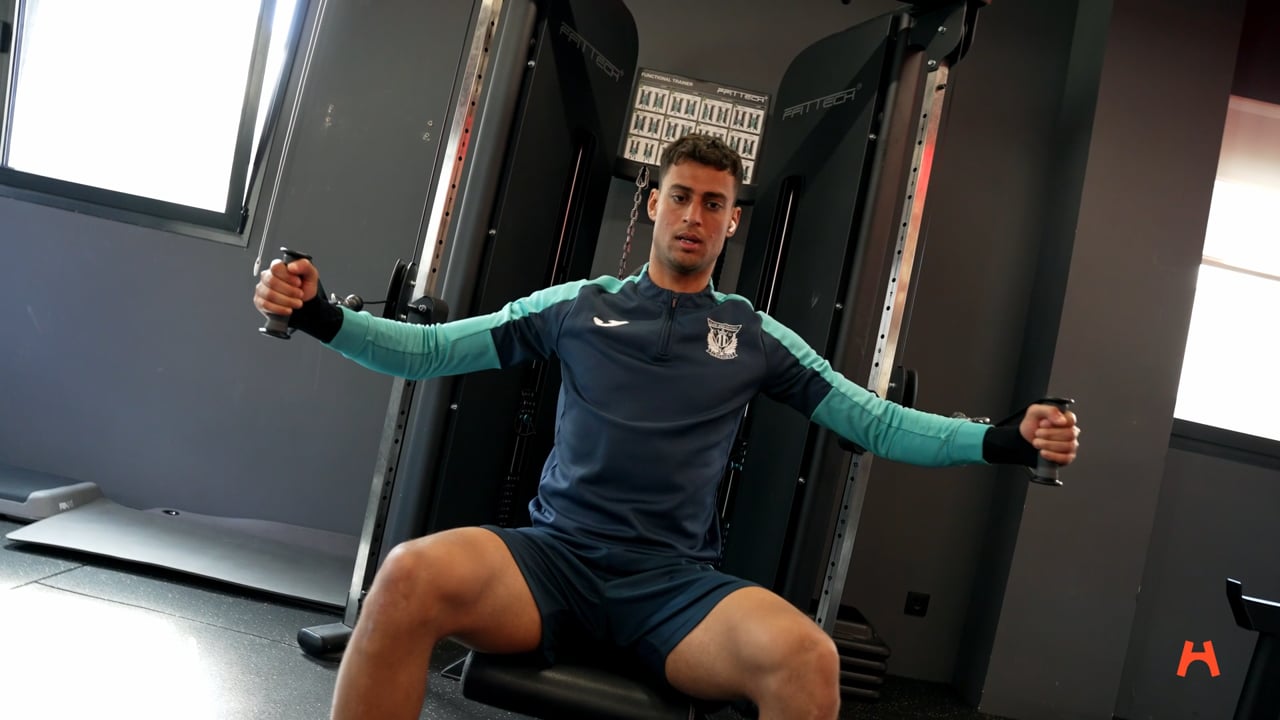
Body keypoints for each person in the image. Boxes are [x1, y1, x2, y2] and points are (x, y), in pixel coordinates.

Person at [254, 133, 1080, 720]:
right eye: (680, 196)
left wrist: (1003, 439)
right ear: (654, 205)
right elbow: (431, 351)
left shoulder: (756, 337)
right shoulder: (576, 307)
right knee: (406, 576)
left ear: (732, 221)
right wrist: (322, 315)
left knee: (810, 660)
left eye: (713, 203)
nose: (694, 214)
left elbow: (876, 422)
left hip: (673, 588)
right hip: (554, 561)